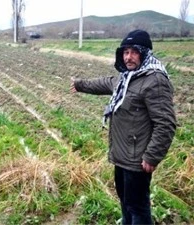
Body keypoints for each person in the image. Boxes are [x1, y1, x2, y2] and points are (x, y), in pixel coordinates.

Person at [70, 29, 176, 225]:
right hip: (121, 155)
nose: (128, 57)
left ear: (145, 53)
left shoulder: (155, 80)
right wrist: (80, 85)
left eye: (134, 52)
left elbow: (166, 123)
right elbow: (104, 83)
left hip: (138, 159)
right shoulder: (126, 78)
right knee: (126, 202)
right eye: (125, 52)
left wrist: (152, 156)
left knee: (138, 207)